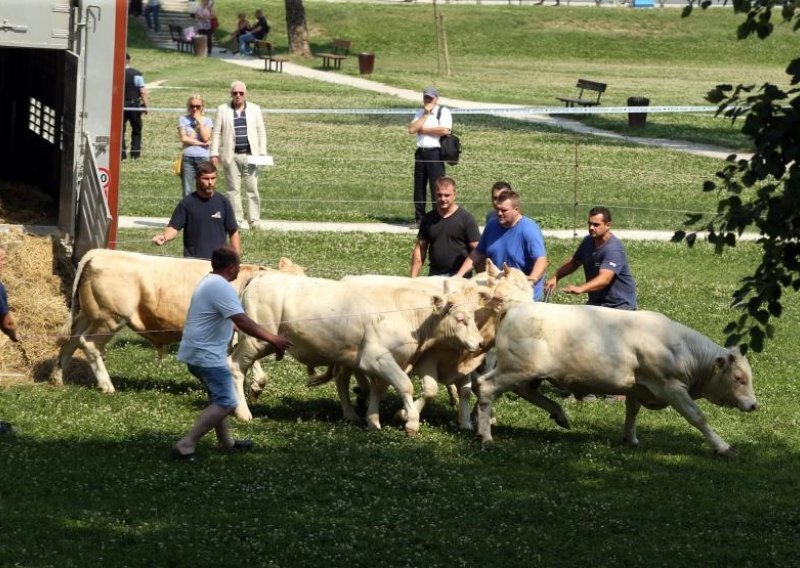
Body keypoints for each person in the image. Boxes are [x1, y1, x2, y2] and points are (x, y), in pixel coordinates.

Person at [173, 246, 292, 460]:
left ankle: (225, 443)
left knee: (217, 398)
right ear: (231, 268)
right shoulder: (221, 287)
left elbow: (222, 317)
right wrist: (273, 338)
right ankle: (187, 443)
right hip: (206, 355)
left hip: (199, 352)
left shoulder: (209, 282)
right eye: (238, 265)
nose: (239, 269)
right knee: (227, 402)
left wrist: (231, 326)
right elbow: (242, 320)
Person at [455, 189, 548, 300]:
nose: (499, 213)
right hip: (500, 293)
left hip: (523, 295)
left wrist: (532, 279)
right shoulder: (492, 226)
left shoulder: (529, 229)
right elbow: (478, 253)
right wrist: (458, 276)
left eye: (504, 210)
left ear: (516, 210)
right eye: (497, 209)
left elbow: (541, 261)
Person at [544, 206, 637, 310]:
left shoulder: (613, 249)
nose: (591, 227)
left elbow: (604, 279)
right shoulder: (588, 241)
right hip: (597, 305)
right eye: (590, 224)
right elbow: (574, 262)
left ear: (608, 225)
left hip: (619, 306)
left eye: (596, 225)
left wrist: (580, 288)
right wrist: (556, 277)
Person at [152, 161, 240, 259]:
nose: (210, 182)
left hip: (219, 263)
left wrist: (236, 258)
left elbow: (233, 231)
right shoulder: (187, 203)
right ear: (197, 179)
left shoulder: (223, 202)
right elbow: (174, 227)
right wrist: (164, 237)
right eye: (206, 179)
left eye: (213, 178)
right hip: (194, 263)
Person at [210, 81, 268, 230]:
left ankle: (254, 220)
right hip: (231, 156)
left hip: (251, 156)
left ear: (245, 94)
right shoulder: (222, 109)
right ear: (231, 94)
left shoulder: (255, 109)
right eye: (235, 93)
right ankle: (236, 220)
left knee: (252, 188)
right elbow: (216, 133)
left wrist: (262, 153)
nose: (238, 96)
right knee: (233, 190)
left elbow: (261, 132)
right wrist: (214, 153)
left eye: (240, 93)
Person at [410, 176, 480, 278]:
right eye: (439, 195)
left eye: (447, 195)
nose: (443, 199)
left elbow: (478, 251)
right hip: (435, 276)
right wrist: (413, 279)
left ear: (454, 195)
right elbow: (420, 249)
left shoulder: (466, 219)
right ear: (435, 195)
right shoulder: (428, 219)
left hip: (460, 277)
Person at [408, 87, 452, 226]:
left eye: (430, 98)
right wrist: (425, 115)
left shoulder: (443, 111)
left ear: (436, 99)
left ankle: (436, 218)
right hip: (421, 152)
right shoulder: (420, 112)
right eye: (426, 97)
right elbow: (412, 129)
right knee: (419, 187)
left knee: (437, 187)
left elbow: (444, 130)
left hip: (435, 153)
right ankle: (420, 218)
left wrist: (424, 130)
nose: (428, 100)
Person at [178, 95, 213, 197]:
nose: (195, 109)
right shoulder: (183, 119)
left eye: (198, 106)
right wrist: (200, 143)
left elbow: (206, 137)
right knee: (187, 190)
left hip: (203, 157)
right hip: (188, 158)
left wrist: (199, 121)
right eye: (192, 106)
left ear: (202, 107)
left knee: (204, 187)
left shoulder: (207, 120)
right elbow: (183, 138)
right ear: (188, 107)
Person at [122, 52, 148, 160]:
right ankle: (135, 154)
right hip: (133, 105)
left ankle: (121, 154)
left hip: (120, 105)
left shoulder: (115, 73)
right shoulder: (136, 74)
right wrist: (146, 105)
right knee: (136, 130)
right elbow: (142, 91)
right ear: (129, 60)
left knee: (120, 131)